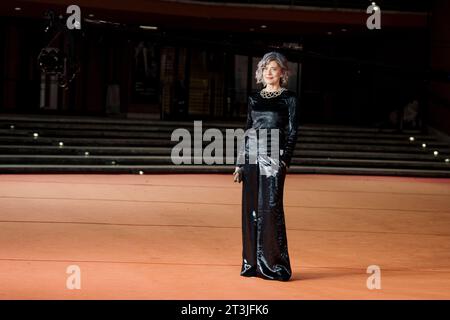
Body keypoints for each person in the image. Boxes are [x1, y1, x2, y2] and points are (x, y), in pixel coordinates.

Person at [233, 51, 299, 281]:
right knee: (251, 211)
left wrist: (284, 161)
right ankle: (252, 263)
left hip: (273, 158)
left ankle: (274, 265)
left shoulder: (289, 99)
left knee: (270, 210)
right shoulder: (254, 98)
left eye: (273, 68)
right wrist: (240, 163)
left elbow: (293, 132)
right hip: (251, 157)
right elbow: (248, 129)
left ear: (282, 72)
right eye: (265, 68)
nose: (269, 72)